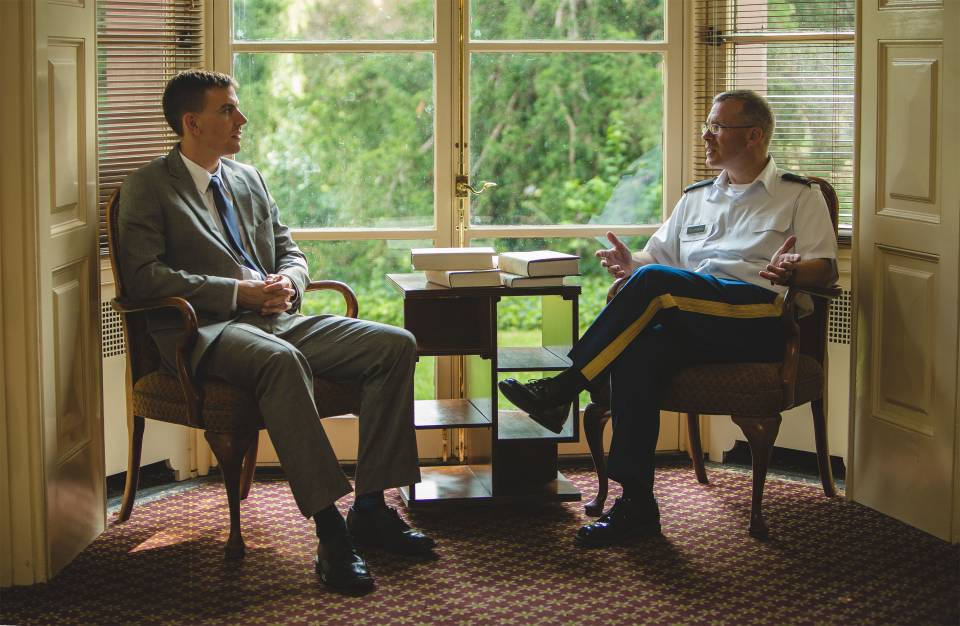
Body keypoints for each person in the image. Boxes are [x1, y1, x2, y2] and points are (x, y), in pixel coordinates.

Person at [118, 69, 435, 591]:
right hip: (207, 331)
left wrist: (288, 280)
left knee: (394, 346)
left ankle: (372, 508)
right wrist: (237, 292)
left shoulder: (249, 178)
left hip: (278, 317)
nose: (241, 118)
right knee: (281, 361)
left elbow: (291, 250)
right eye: (227, 110)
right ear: (191, 122)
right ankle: (332, 531)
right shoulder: (148, 187)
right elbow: (144, 277)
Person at [499, 90, 838, 547]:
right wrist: (630, 264)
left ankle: (564, 387)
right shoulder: (697, 198)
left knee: (658, 285)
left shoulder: (799, 195)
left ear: (754, 135)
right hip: (697, 317)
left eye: (718, 126)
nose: (706, 134)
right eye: (709, 125)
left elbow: (826, 268)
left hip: (758, 317)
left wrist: (794, 268)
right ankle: (637, 504)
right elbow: (656, 260)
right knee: (641, 351)